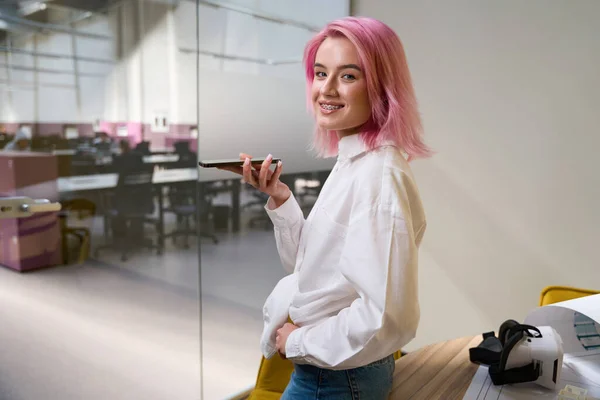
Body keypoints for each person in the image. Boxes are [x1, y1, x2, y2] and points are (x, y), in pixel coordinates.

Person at [221, 17, 431, 399]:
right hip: (331, 373)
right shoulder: (352, 160)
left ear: (382, 86)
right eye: (320, 73)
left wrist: (299, 341)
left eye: (348, 76)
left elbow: (385, 319)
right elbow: (311, 270)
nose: (326, 89)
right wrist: (282, 199)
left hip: (335, 380)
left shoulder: (378, 177)